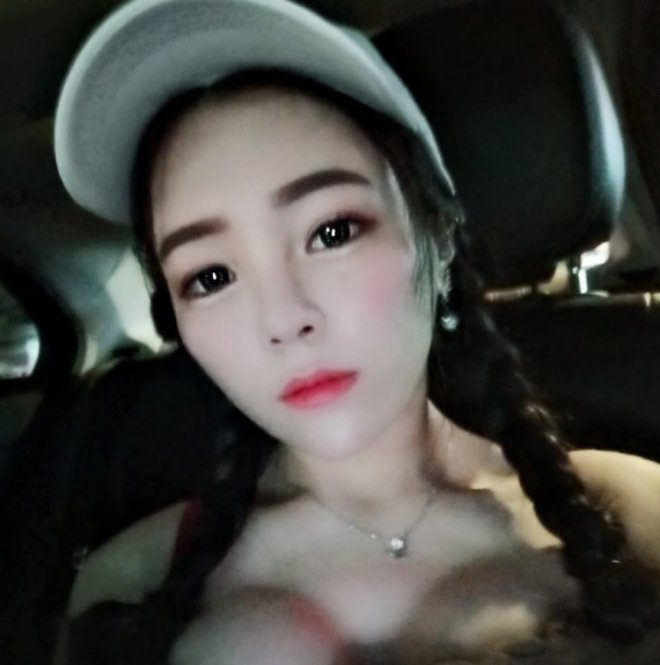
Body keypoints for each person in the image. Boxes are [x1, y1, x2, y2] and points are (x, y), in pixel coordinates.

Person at [52, 0, 660, 663]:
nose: (284, 318)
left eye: (332, 231)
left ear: (437, 237)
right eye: (211, 276)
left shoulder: (635, 513)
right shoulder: (127, 581)